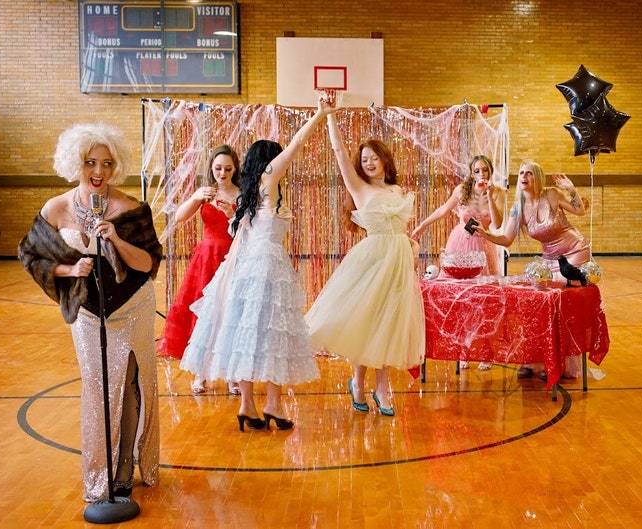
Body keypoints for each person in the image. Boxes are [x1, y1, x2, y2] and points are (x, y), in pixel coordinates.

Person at [18, 123, 162, 502]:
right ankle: (99, 472)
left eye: (107, 164)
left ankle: (124, 471)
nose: (98, 172)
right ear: (75, 163)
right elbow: (29, 254)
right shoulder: (57, 208)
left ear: (116, 167)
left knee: (131, 384)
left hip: (133, 306)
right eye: (90, 163)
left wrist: (114, 237)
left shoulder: (132, 209)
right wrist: (67, 270)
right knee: (97, 391)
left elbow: (148, 263)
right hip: (87, 312)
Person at [180, 95, 334, 431]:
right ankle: (273, 405)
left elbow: (241, 231)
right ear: (270, 160)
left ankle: (248, 406)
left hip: (245, 270)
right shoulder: (269, 179)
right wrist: (320, 114)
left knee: (247, 333)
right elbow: (296, 144)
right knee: (271, 332)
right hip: (265, 268)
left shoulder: (250, 193)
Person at [305, 103, 426, 416]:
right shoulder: (357, 186)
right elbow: (340, 153)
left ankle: (383, 387)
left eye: (374, 157)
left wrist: (410, 244)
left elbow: (401, 227)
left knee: (388, 325)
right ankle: (358, 384)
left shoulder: (398, 189)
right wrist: (330, 114)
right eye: (364, 160)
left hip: (398, 263)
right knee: (366, 323)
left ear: (385, 159)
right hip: (372, 261)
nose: (369, 163)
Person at [474, 159, 590, 379]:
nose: (524, 176)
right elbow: (507, 238)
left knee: (561, 305)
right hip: (548, 258)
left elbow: (580, 211)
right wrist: (485, 234)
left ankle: (561, 364)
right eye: (521, 173)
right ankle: (536, 360)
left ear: (538, 177)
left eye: (530, 173)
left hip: (573, 253)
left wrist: (571, 189)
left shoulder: (553, 194)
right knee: (536, 303)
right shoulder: (518, 206)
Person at [156, 144, 242, 396]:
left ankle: (231, 374)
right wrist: (195, 197)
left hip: (232, 258)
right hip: (206, 260)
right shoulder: (205, 193)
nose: (222, 173)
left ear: (235, 169)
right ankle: (201, 373)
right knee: (204, 315)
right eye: (218, 168)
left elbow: (247, 227)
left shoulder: (241, 194)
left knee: (230, 315)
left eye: (227, 168)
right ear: (211, 168)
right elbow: (180, 217)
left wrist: (230, 214)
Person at [411, 154, 506, 371]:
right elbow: (444, 210)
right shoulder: (462, 190)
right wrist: (423, 225)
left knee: (484, 300)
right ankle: (463, 351)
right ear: (471, 173)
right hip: (459, 244)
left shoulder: (498, 192)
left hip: (483, 245)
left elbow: (498, 224)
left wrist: (489, 196)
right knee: (460, 298)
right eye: (477, 171)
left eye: (485, 170)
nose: (481, 174)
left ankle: (485, 352)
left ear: (491, 171)